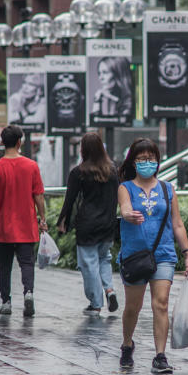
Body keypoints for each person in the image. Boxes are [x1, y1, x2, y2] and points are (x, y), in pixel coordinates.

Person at [117, 138, 188, 374]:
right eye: (141, 159)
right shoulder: (125, 187)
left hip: (164, 254)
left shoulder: (167, 189)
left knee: (160, 304)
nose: (146, 162)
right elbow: (124, 209)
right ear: (133, 162)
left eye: (150, 158)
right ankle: (127, 344)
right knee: (133, 307)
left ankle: (160, 356)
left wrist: (187, 253)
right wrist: (129, 215)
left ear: (158, 162)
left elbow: (177, 224)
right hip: (134, 255)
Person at [0, 125, 48, 317]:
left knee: (4, 264)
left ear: (2, 142)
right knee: (27, 263)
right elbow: (39, 196)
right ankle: (28, 292)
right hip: (26, 224)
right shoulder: (31, 166)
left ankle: (6, 302)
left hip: (3, 225)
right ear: (20, 142)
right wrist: (42, 217)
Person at [57, 132, 120, 314]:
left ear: (83, 149)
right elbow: (116, 197)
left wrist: (63, 222)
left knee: (89, 264)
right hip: (108, 224)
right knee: (104, 258)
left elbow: (70, 200)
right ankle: (109, 290)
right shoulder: (112, 170)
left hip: (87, 225)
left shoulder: (79, 172)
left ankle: (96, 303)